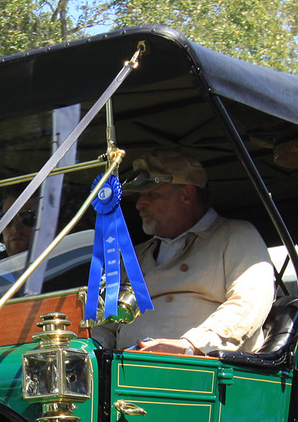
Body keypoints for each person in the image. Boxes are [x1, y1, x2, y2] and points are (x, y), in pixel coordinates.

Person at [105, 149, 275, 355]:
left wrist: (191, 344)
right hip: (123, 373)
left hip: (203, 374)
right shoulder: (136, 255)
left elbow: (250, 302)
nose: (140, 204)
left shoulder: (236, 235)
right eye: (141, 195)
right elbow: (105, 324)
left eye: (151, 194)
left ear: (187, 194)